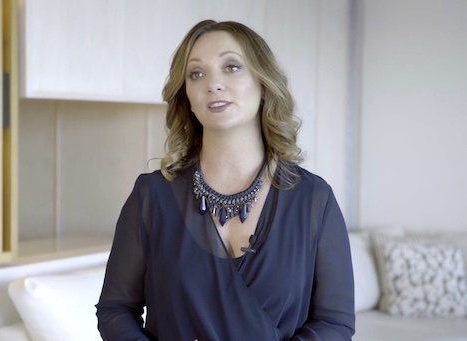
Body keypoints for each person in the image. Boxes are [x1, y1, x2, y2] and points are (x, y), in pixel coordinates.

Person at [96, 19, 355, 340]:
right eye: (196, 73)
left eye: (232, 67)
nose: (213, 84)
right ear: (186, 97)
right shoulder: (151, 195)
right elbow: (115, 310)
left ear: (264, 84)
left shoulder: (314, 198)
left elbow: (335, 323)